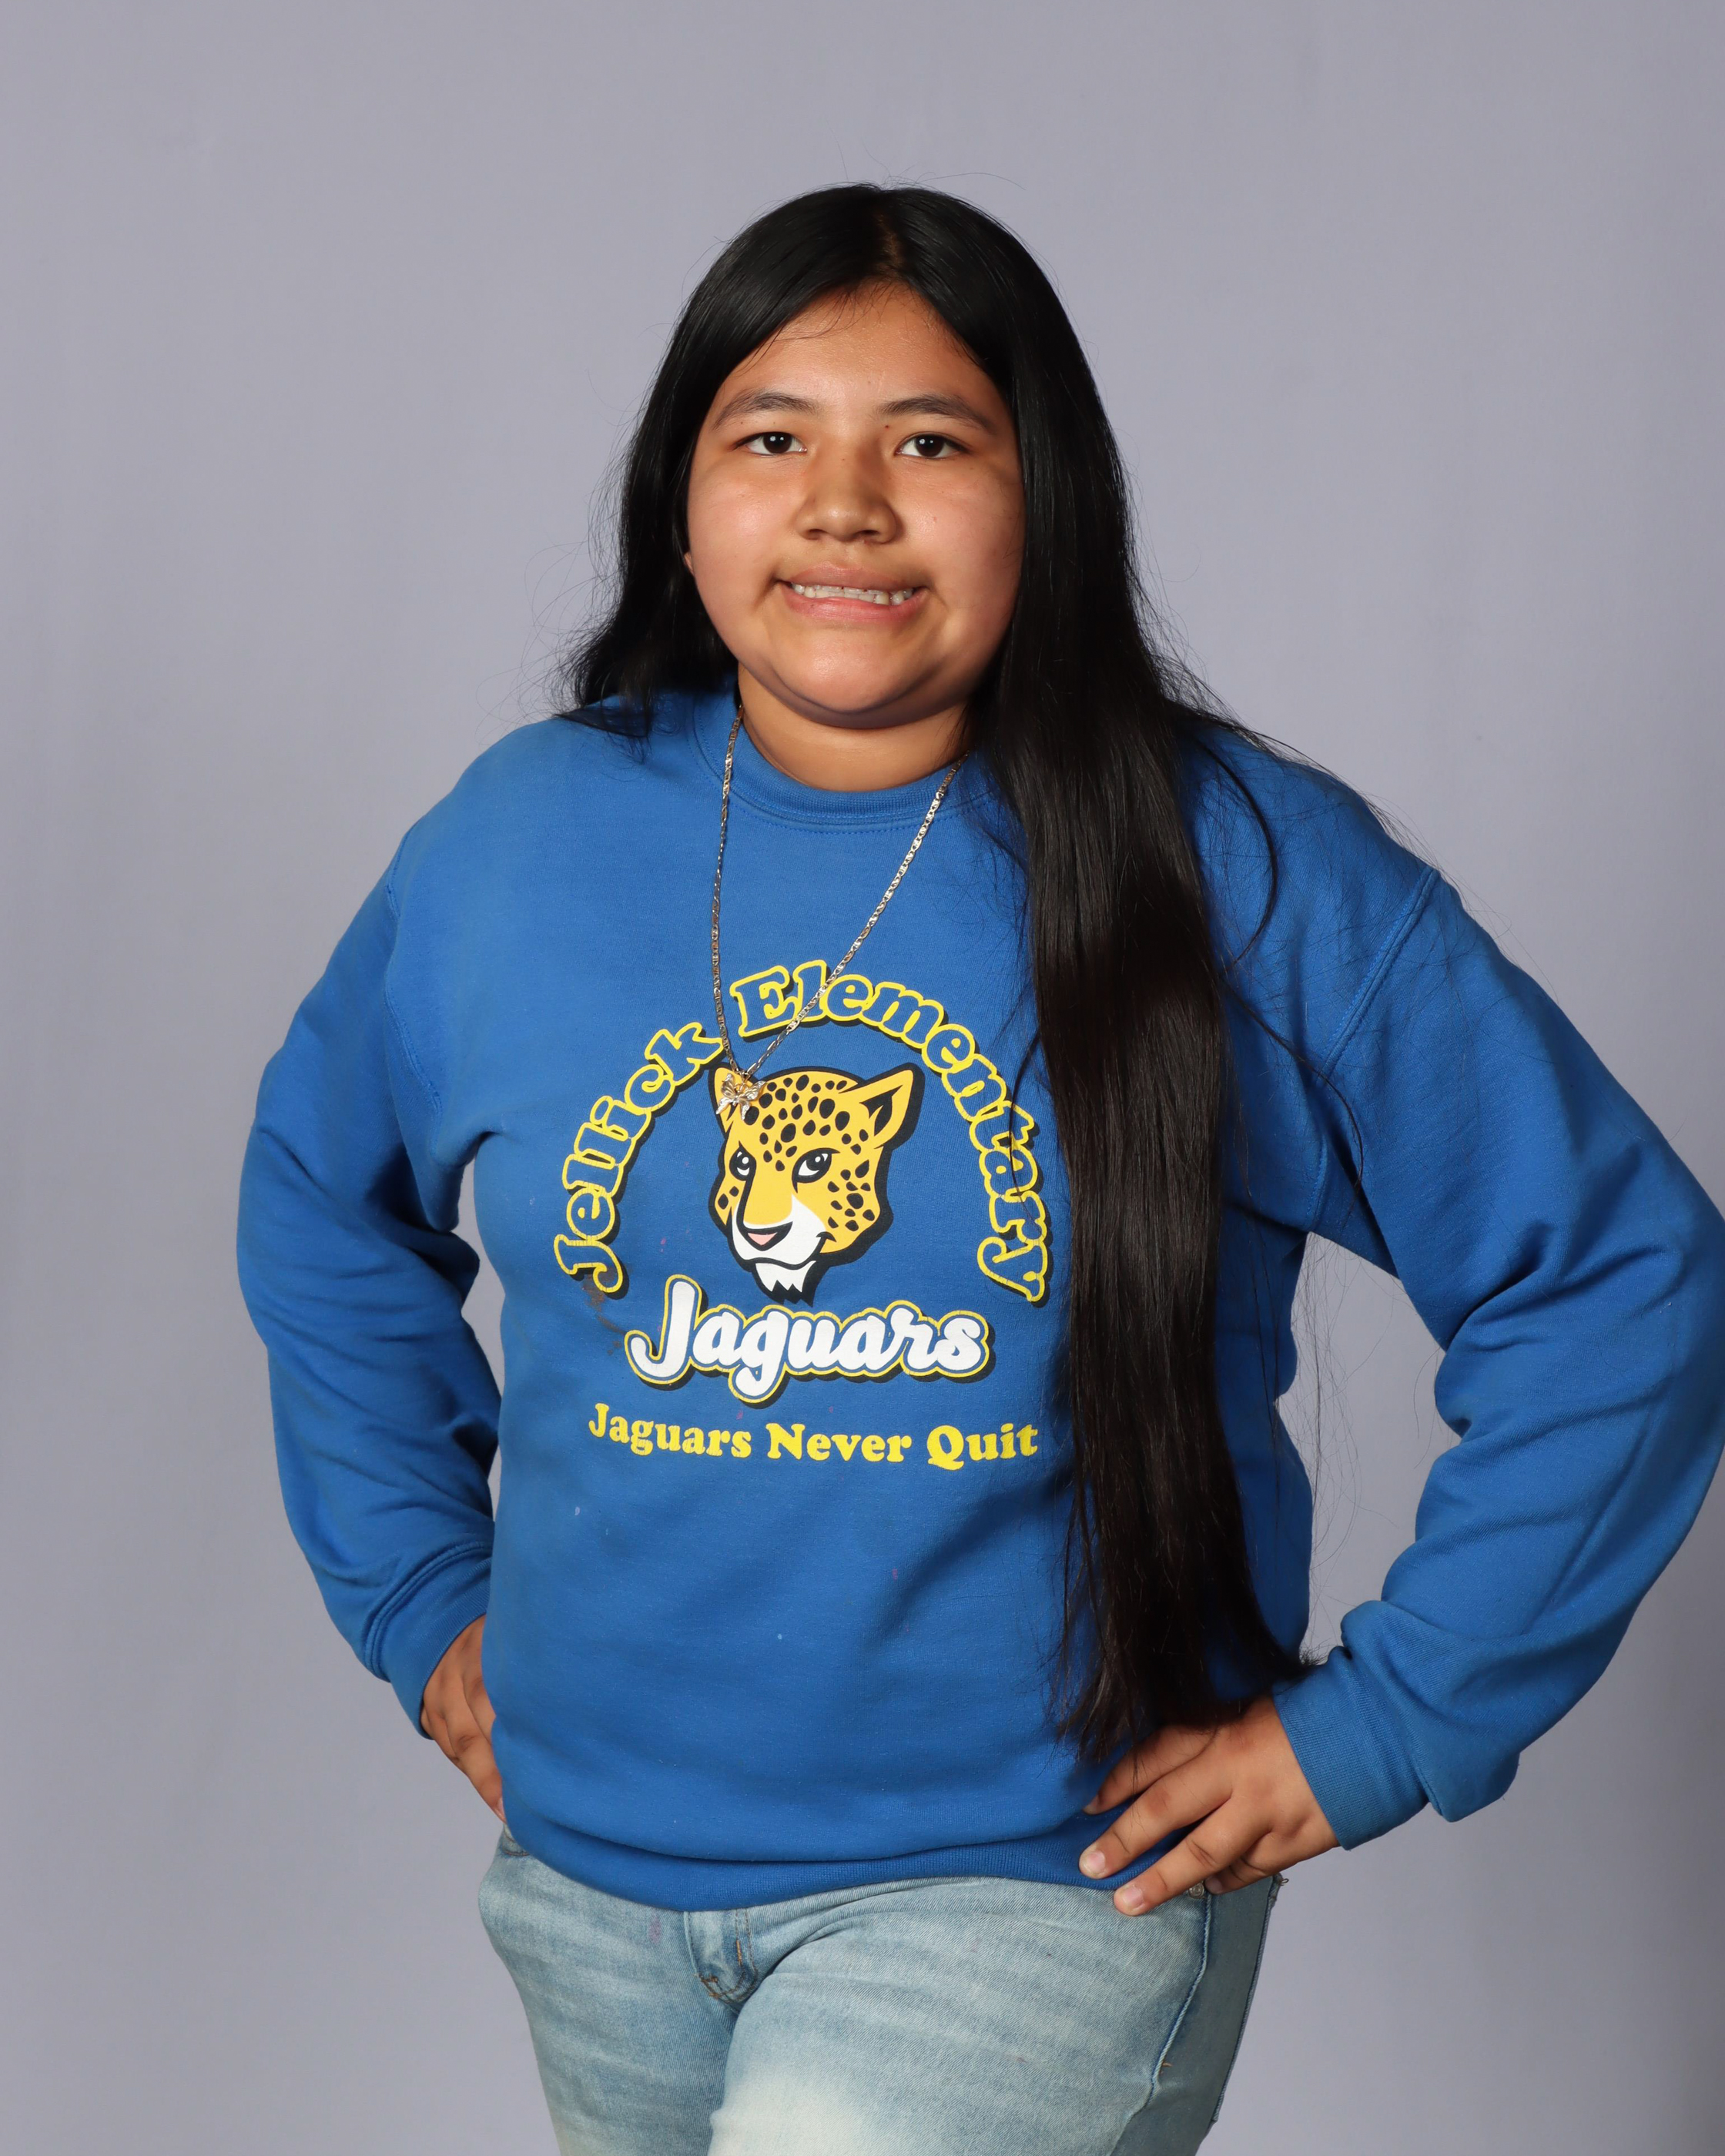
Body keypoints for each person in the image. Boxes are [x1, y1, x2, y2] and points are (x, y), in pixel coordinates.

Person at [236, 185, 1725, 2154]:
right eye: (772, 437)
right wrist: (421, 1588)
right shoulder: (518, 841)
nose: (845, 506)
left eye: (931, 442)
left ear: (1048, 502)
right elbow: (320, 1199)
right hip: (596, 1878)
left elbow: (1617, 1277)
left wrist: (1393, 1716)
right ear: (682, 506)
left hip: (1033, 1879)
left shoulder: (1236, 866)